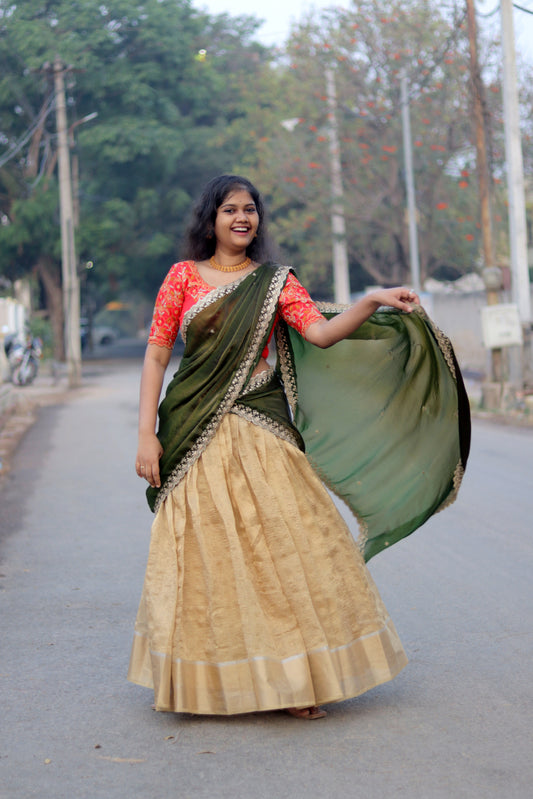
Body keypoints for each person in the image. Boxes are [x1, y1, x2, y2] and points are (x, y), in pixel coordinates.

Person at [128, 174, 470, 719]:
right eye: (230, 209)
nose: (242, 218)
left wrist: (371, 301)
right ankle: (206, 681)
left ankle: (297, 680)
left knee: (292, 546)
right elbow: (155, 355)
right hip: (194, 428)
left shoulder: (274, 282)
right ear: (211, 220)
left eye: (250, 209)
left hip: (263, 426)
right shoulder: (182, 278)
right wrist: (146, 434)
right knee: (205, 554)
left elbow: (320, 334)